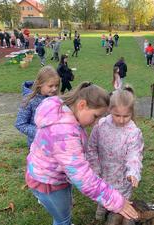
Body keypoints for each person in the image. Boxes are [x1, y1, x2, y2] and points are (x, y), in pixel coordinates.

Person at [25, 82, 138, 225]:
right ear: (82, 105)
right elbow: (83, 178)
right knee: (62, 219)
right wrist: (117, 201)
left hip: (48, 175)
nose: (97, 122)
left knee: (64, 212)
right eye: (96, 116)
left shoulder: (61, 110)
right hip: (48, 183)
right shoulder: (64, 133)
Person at [86, 87, 144, 222]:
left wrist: (133, 172)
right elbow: (92, 148)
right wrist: (95, 168)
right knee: (103, 196)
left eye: (126, 116)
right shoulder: (101, 125)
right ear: (109, 110)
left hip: (122, 175)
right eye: (117, 115)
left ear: (132, 113)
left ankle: (117, 219)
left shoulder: (133, 132)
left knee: (122, 201)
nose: (122, 120)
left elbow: (134, 154)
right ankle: (100, 215)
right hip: (103, 172)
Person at [15, 66, 60, 149]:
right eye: (50, 86)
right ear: (40, 84)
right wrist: (40, 132)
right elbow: (20, 124)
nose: (54, 89)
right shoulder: (29, 100)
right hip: (37, 146)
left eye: (56, 85)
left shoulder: (56, 99)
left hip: (55, 145)